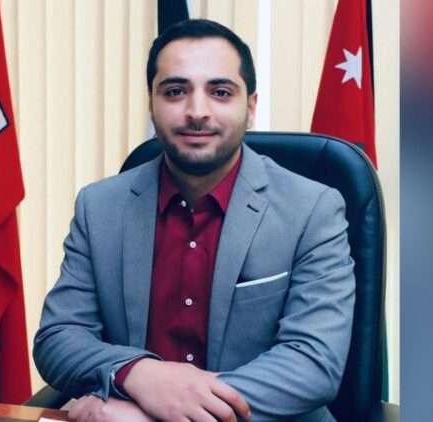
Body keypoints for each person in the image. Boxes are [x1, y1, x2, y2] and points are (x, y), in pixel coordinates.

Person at [34, 19, 355, 422]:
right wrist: (139, 375)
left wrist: (158, 415)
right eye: (175, 91)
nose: (197, 112)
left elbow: (312, 362)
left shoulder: (313, 209)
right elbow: (58, 338)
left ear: (250, 107)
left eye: (220, 92)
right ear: (151, 104)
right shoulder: (99, 207)